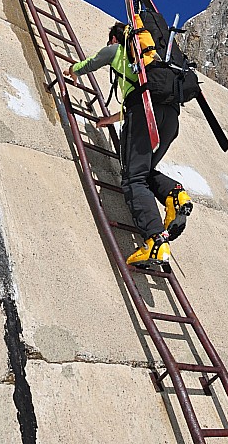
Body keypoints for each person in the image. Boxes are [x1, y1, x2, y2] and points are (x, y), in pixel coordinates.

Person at [63, 21, 192, 269]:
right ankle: (174, 196)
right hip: (169, 116)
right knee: (143, 171)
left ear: (115, 38)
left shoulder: (117, 49)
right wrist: (109, 120)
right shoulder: (151, 63)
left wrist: (73, 70)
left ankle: (154, 240)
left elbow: (91, 62)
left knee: (133, 178)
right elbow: (140, 96)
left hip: (145, 112)